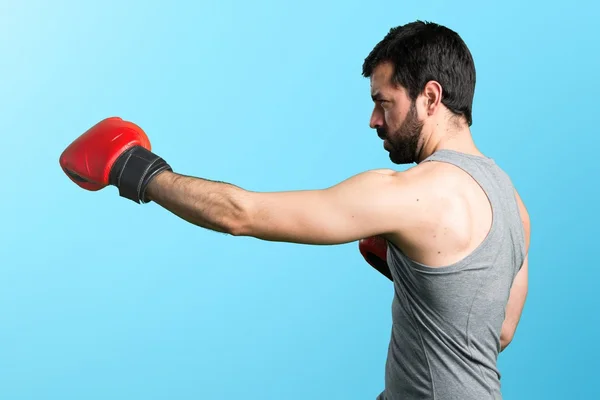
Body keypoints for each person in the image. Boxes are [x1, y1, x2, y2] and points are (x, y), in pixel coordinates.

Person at [60, 20, 530, 400]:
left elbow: (241, 214)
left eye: (383, 102)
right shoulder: (511, 200)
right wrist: (423, 277)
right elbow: (500, 331)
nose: (373, 120)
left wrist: (135, 169)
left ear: (430, 97)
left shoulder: (414, 195)